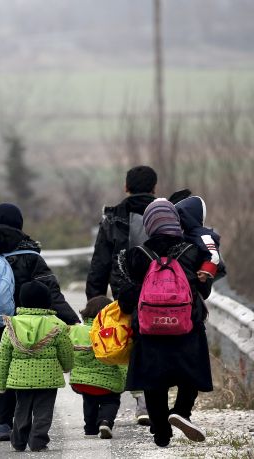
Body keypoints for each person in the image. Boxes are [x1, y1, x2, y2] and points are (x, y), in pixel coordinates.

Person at [0, 203, 79, 441]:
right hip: (14, 323)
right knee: (10, 370)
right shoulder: (29, 254)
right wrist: (72, 320)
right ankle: (4, 422)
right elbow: (51, 292)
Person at [117, 198, 213, 448]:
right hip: (186, 326)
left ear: (149, 224)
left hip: (150, 330)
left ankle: (161, 431)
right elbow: (205, 290)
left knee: (153, 380)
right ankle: (181, 411)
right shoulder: (192, 251)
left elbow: (126, 298)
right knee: (190, 371)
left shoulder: (137, 255)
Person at [85, 165, 157, 425]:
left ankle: (140, 400)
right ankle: (149, 401)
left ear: (126, 187)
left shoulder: (113, 218)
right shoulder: (165, 214)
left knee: (129, 341)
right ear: (154, 188)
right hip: (161, 291)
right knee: (155, 343)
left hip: (124, 292)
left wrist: (95, 301)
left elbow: (100, 263)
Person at [0, 281, 74, 452]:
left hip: (20, 378)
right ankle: (38, 440)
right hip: (48, 378)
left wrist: (0, 385)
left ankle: (18, 441)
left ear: (21, 301)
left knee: (21, 409)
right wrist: (67, 367)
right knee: (43, 411)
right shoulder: (57, 324)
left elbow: (2, 357)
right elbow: (66, 351)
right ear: (47, 301)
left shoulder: (12, 325)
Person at [69, 295, 127, 439]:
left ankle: (90, 429)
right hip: (109, 383)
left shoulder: (76, 331)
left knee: (89, 401)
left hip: (83, 382)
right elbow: (121, 361)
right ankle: (105, 421)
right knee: (111, 400)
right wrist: (128, 380)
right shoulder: (114, 332)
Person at [174, 195, 226, 282]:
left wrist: (206, 270)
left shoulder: (202, 234)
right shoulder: (185, 233)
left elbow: (213, 254)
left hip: (199, 278)